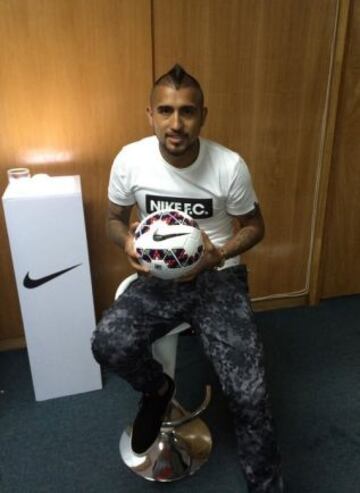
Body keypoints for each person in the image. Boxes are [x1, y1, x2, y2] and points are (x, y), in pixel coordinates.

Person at [91, 64, 283, 493]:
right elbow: (113, 220)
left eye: (187, 112)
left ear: (203, 115)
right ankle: (157, 389)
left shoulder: (229, 166)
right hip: (158, 278)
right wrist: (125, 243)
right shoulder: (131, 159)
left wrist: (220, 254)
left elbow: (255, 226)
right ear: (150, 115)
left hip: (218, 278)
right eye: (166, 111)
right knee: (107, 344)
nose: (176, 124)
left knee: (250, 396)